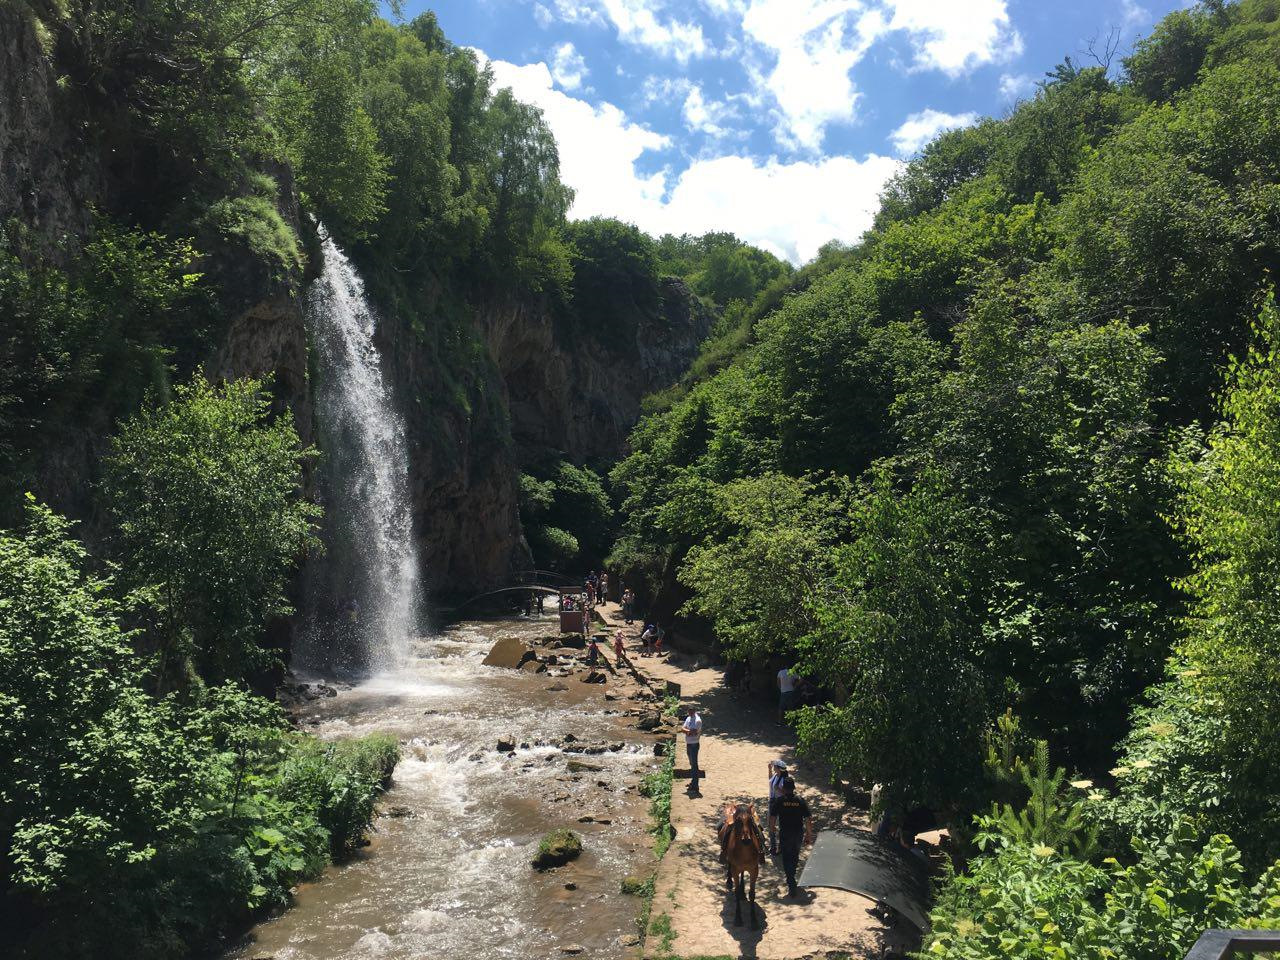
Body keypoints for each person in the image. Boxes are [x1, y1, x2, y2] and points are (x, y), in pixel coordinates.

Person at [768, 777, 814, 897]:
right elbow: (808, 819)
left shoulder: (779, 800)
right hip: (798, 833)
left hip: (785, 833)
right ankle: (792, 877)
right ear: (793, 788)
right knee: (794, 856)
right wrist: (809, 835)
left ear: (783, 788)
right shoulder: (800, 800)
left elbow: (772, 817)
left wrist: (772, 829)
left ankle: (791, 881)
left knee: (786, 857)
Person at [766, 760, 789, 854]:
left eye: (775, 766)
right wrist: (769, 770)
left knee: (780, 826)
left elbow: (788, 793)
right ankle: (773, 846)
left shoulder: (785, 780)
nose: (773, 766)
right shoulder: (776, 775)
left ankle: (779, 847)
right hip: (772, 802)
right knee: (770, 825)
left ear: (779, 768)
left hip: (780, 804)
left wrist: (779, 789)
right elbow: (770, 780)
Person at [681, 705, 703, 780]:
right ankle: (694, 780)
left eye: (691, 711)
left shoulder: (698, 721)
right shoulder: (688, 718)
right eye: (689, 711)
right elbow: (682, 729)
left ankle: (695, 783)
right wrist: (689, 731)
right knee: (691, 762)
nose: (689, 713)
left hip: (694, 744)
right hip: (689, 743)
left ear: (694, 711)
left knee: (694, 764)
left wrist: (687, 731)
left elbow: (694, 733)